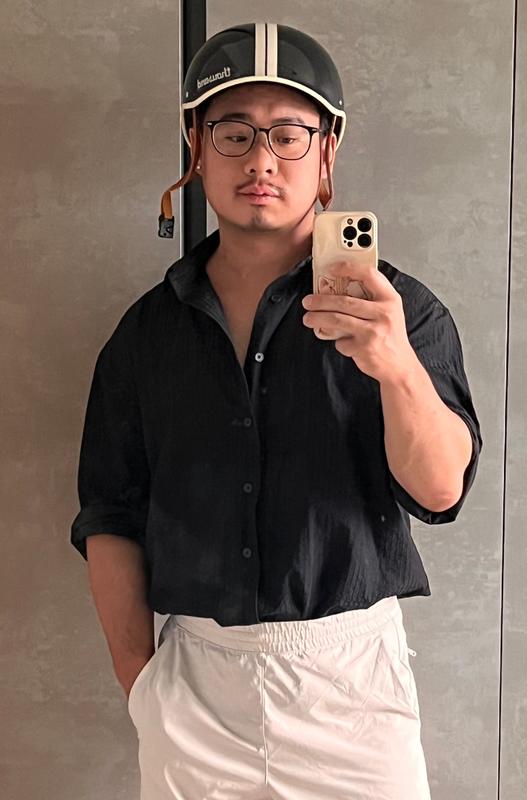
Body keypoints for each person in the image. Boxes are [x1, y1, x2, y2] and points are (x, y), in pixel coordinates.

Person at [70, 20, 482, 800]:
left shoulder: (403, 313)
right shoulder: (145, 336)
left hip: (351, 692)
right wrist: (141, 686)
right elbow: (110, 516)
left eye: (289, 135)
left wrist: (395, 366)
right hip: (194, 689)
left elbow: (439, 490)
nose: (261, 160)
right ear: (196, 147)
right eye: (234, 132)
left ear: (327, 153)